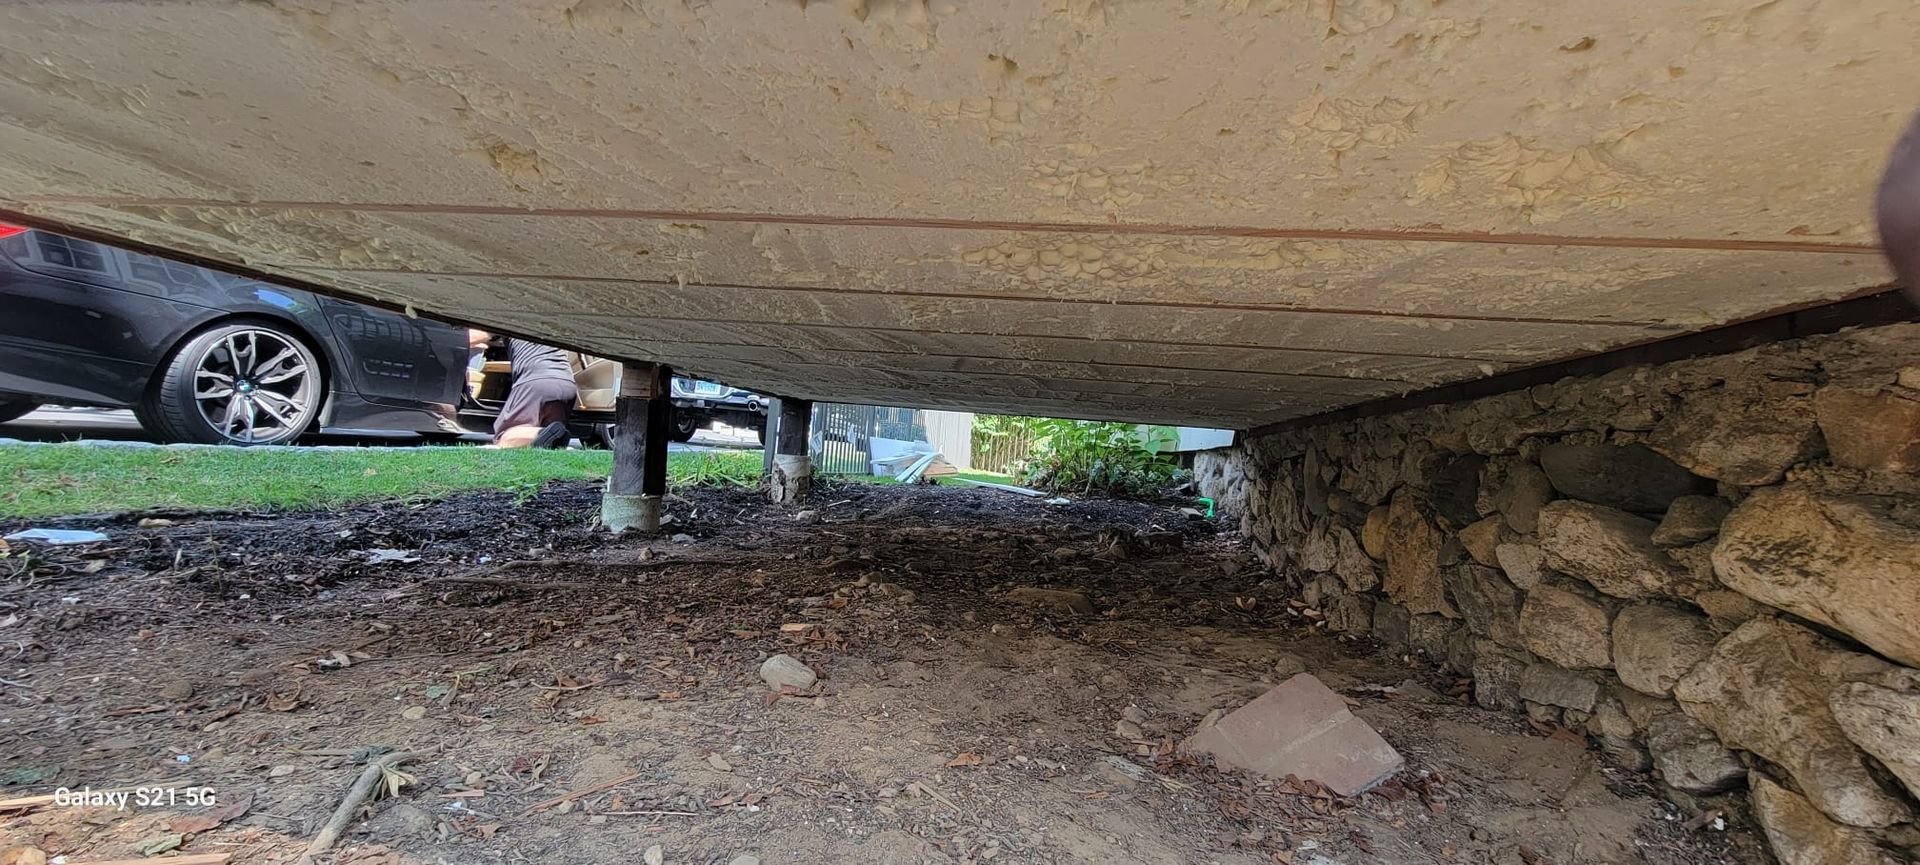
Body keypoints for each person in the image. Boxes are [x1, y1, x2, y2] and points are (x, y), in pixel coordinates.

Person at [468, 329, 577, 448]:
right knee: (548, 435)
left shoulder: (508, 320)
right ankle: (553, 436)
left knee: (506, 437)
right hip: (567, 382)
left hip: (536, 381)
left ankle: (540, 434)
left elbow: (472, 337)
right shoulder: (547, 323)